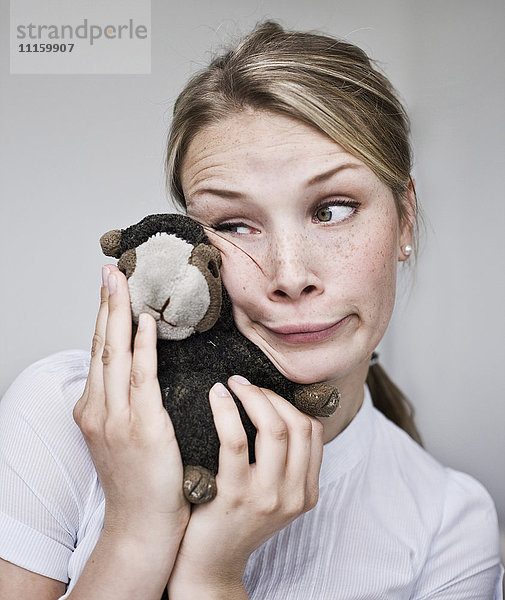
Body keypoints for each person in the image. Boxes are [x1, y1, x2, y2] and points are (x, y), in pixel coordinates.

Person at [0, 20, 502, 600]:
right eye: (235, 225)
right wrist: (135, 533)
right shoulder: (59, 414)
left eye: (332, 210)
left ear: (405, 218)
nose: (290, 277)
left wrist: (212, 580)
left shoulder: (452, 525)